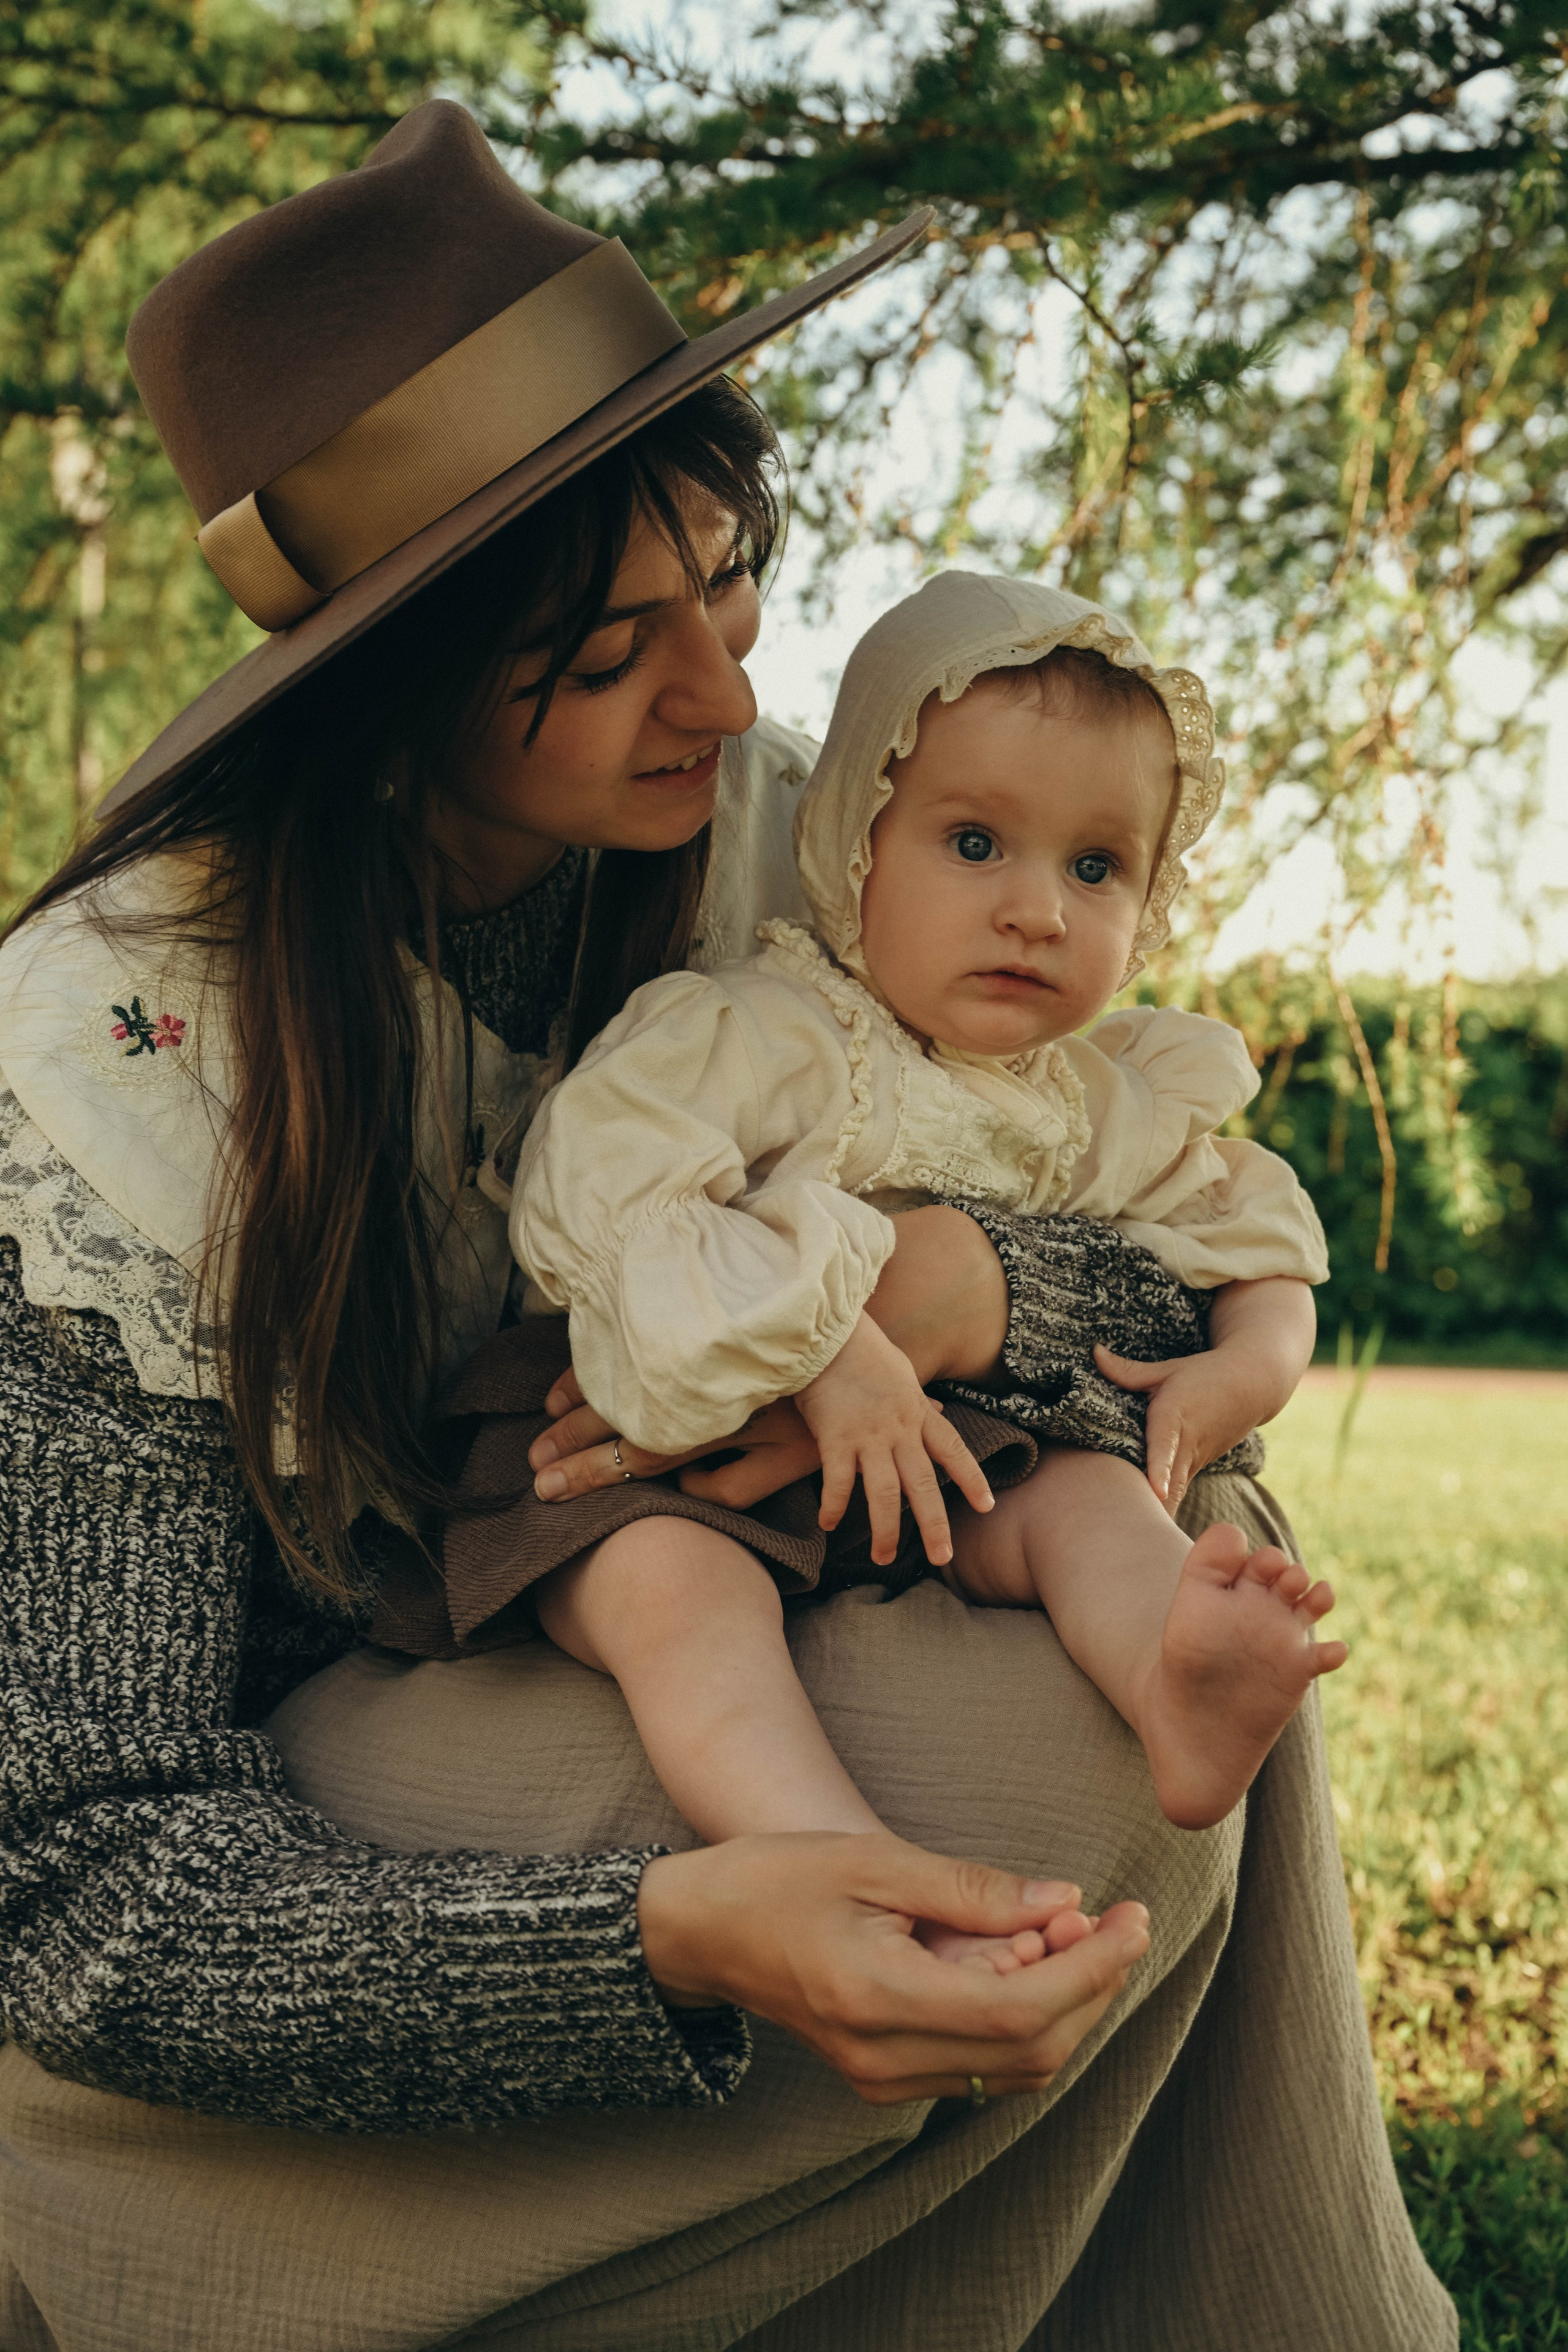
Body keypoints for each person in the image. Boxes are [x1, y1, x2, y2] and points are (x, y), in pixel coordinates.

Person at [0, 98, 1454, 2352]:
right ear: (391, 695)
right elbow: (79, 1886)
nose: (731, 693)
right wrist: (667, 1939)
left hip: (586, 1648)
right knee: (1058, 1781)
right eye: (604, 657)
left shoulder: (777, 836)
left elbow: (1122, 1207)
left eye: (731, 583)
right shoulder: (119, 1059)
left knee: (1177, 1576)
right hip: (248, 1912)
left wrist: (943, 1290)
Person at [450, 573, 1343, 1891]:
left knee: (1084, 1493)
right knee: (672, 1597)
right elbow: (599, 1197)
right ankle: (818, 1847)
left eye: (1093, 867)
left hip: (919, 1472)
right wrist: (828, 1353)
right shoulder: (765, 1029)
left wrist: (1243, 1367)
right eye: (974, 843)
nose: (1036, 907)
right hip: (645, 1447)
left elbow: (1252, 1233)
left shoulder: (1092, 1100)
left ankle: (1174, 1681)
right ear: (853, 841)